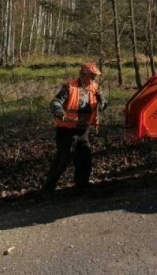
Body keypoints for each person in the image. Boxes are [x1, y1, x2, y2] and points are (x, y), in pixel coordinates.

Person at [42, 62, 108, 192]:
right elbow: (55, 102)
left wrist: (103, 103)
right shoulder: (69, 87)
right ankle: (48, 187)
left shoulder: (95, 88)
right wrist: (60, 112)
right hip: (66, 129)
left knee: (85, 157)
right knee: (63, 158)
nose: (94, 78)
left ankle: (82, 185)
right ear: (83, 75)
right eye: (92, 75)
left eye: (95, 76)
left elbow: (104, 102)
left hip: (83, 129)